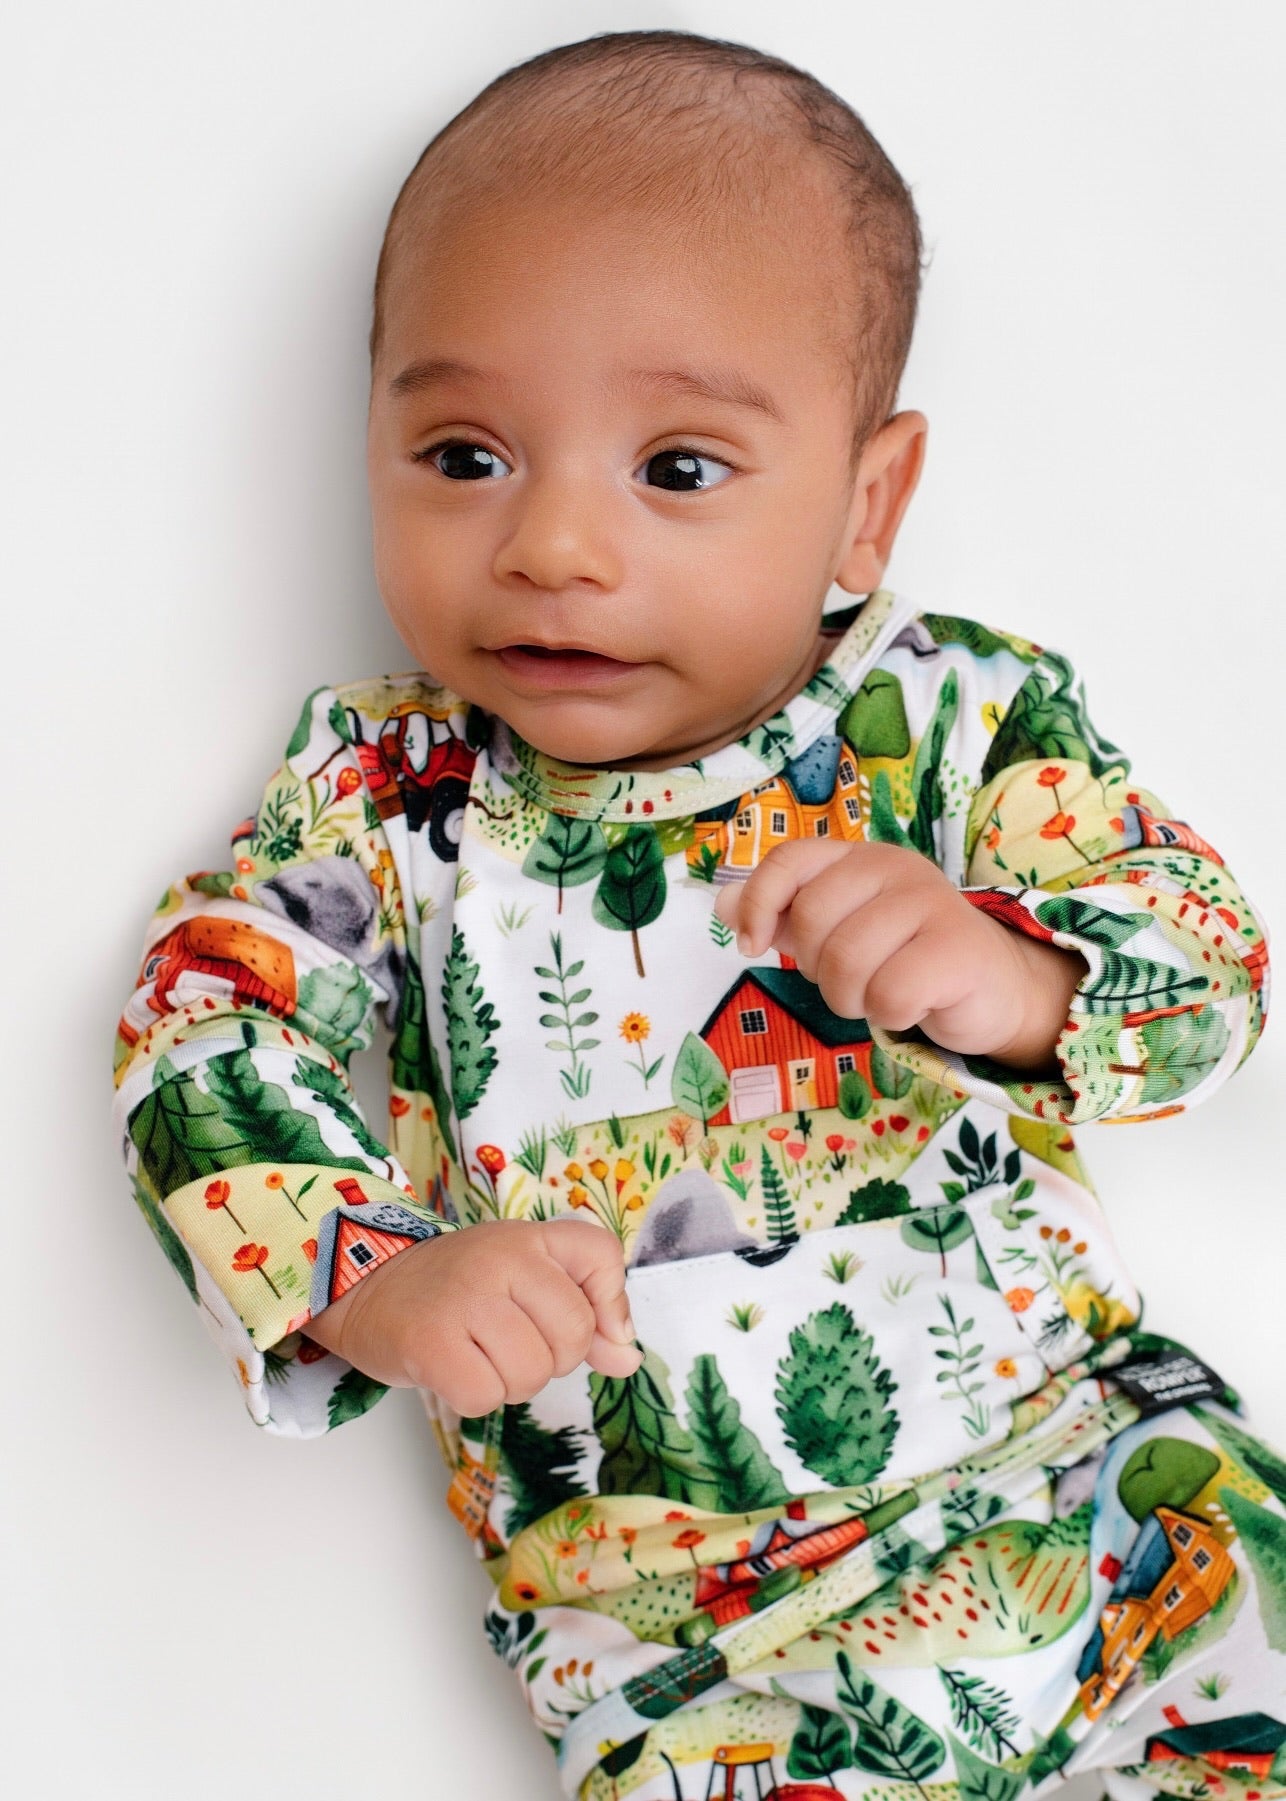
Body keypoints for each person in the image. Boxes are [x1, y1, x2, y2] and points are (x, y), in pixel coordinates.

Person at [112, 27, 1285, 1801]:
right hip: (684, 1632)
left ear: (865, 507)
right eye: (463, 454)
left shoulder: (952, 719)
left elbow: (1208, 955)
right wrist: (372, 1272)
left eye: (674, 468)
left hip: (1091, 1482)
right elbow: (203, 1012)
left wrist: (1025, 977)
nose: (553, 546)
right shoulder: (386, 791)